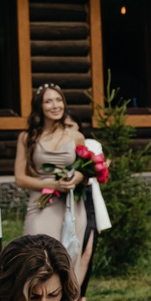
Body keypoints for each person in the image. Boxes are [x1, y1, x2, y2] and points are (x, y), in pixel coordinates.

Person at [14, 83, 102, 285]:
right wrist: (54, 187)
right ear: (40, 106)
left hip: (71, 205)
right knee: (35, 255)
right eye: (48, 101)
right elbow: (20, 178)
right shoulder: (28, 137)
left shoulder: (75, 135)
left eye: (58, 100)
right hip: (41, 201)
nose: (55, 106)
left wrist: (78, 177)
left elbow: (85, 170)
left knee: (68, 257)